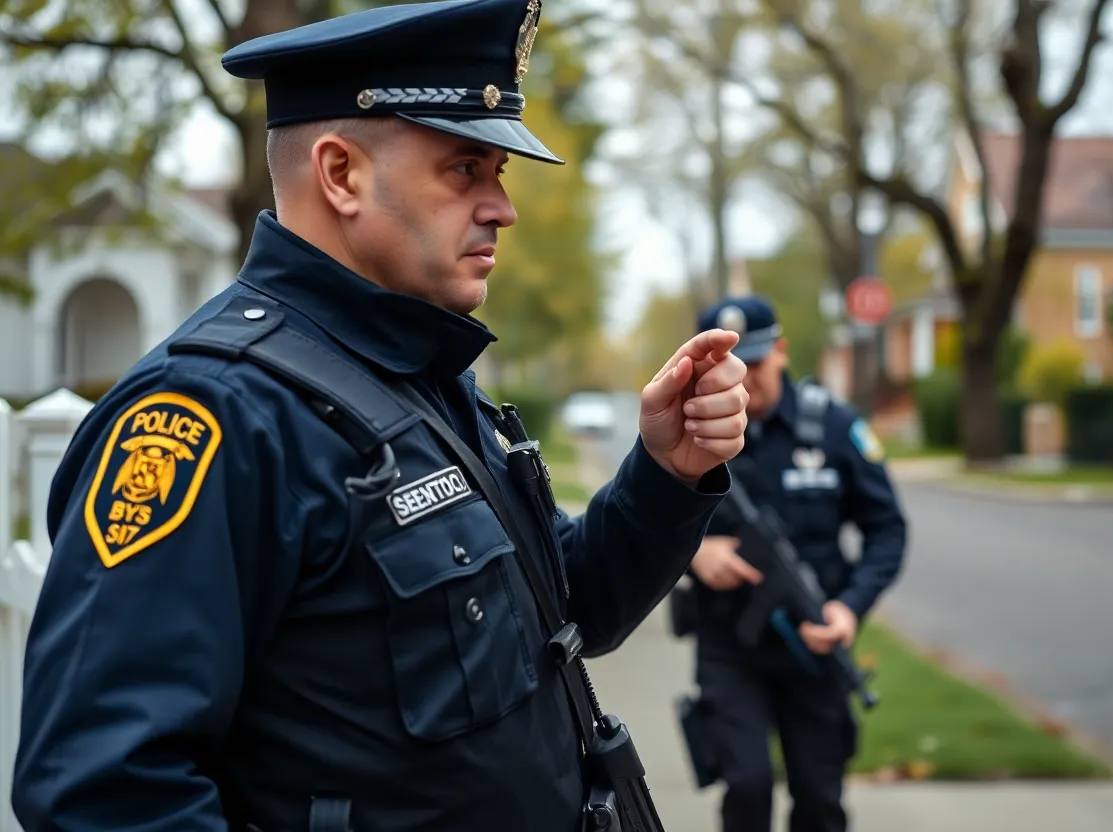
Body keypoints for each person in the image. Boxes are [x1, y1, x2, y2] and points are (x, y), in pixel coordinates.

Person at [9, 1, 753, 829]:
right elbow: (103, 793)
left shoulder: (417, 377)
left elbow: (562, 607)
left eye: (498, 174)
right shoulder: (215, 417)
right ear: (340, 174)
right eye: (466, 169)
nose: (502, 207)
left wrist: (665, 472)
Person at [685, 295, 908, 832]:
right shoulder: (688, 431)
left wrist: (850, 609)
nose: (743, 380)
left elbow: (887, 530)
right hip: (728, 645)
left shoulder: (832, 427)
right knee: (747, 788)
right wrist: (693, 551)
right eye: (726, 368)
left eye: (755, 362)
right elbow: (637, 522)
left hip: (815, 646)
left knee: (818, 801)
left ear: (782, 351)